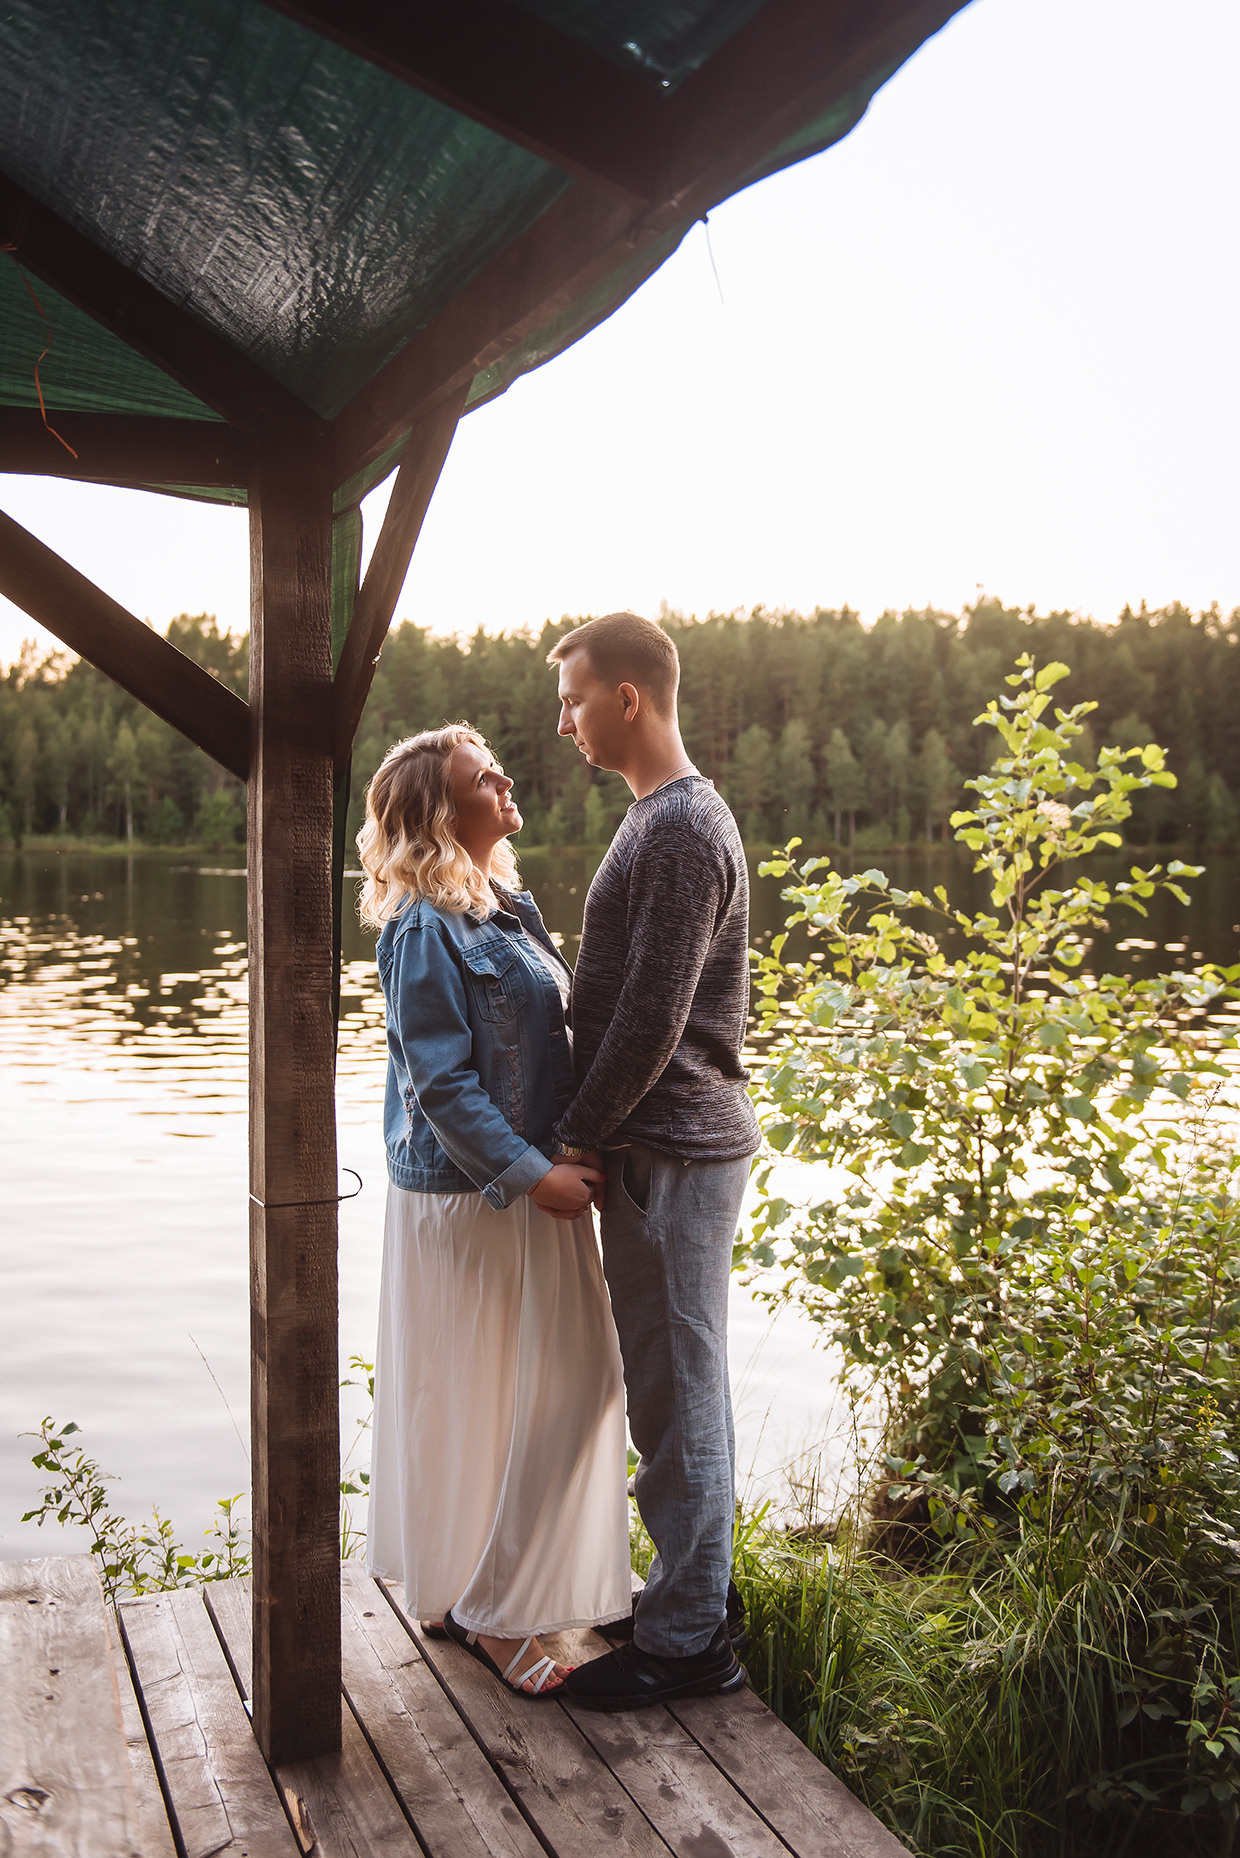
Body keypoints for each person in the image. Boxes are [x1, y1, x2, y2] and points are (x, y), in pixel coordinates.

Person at [359, 724, 632, 1697]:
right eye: (484, 777)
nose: (506, 780)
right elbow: (439, 1083)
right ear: (441, 811)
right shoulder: (423, 926)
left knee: (550, 1390)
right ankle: (493, 1612)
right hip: (477, 1199)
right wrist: (532, 1173)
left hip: (521, 1185)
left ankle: (471, 1590)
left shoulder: (505, 904)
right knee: (517, 1392)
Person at [546, 613, 761, 1711]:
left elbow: (649, 1019)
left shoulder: (678, 827)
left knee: (676, 1395)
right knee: (684, 1388)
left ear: (628, 697)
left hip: (669, 1147)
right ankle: (695, 1596)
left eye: (577, 698)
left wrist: (577, 1134)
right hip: (671, 1143)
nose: (567, 720)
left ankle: (686, 1644)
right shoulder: (664, 819)